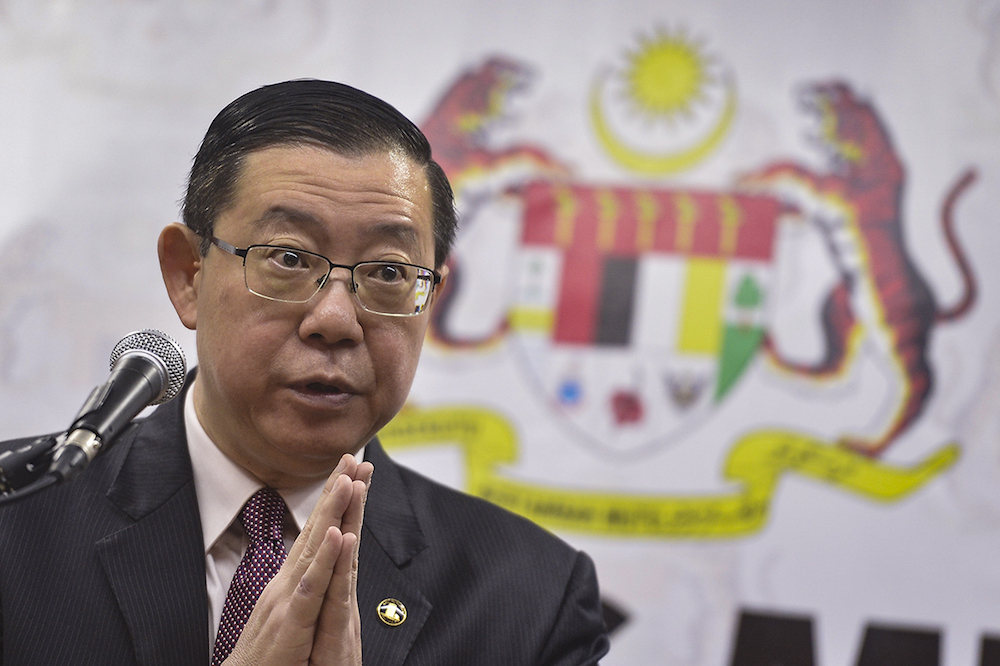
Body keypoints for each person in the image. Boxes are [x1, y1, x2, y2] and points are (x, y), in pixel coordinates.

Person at [0, 79, 609, 665]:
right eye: (288, 258)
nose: (336, 319)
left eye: (389, 272)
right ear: (188, 274)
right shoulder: (17, 524)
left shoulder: (529, 598)